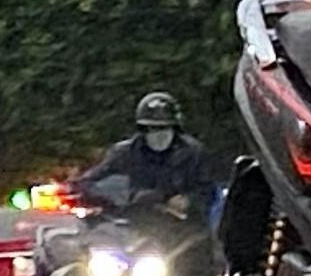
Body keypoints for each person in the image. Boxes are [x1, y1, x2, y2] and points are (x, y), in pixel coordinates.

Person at [70, 92, 215, 216]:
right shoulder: (123, 152)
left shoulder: (194, 152)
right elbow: (88, 182)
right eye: (151, 128)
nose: (158, 134)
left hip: (181, 228)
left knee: (198, 245)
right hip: (130, 226)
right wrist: (108, 200)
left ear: (175, 128)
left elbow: (208, 191)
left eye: (164, 128)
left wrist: (188, 201)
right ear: (142, 129)